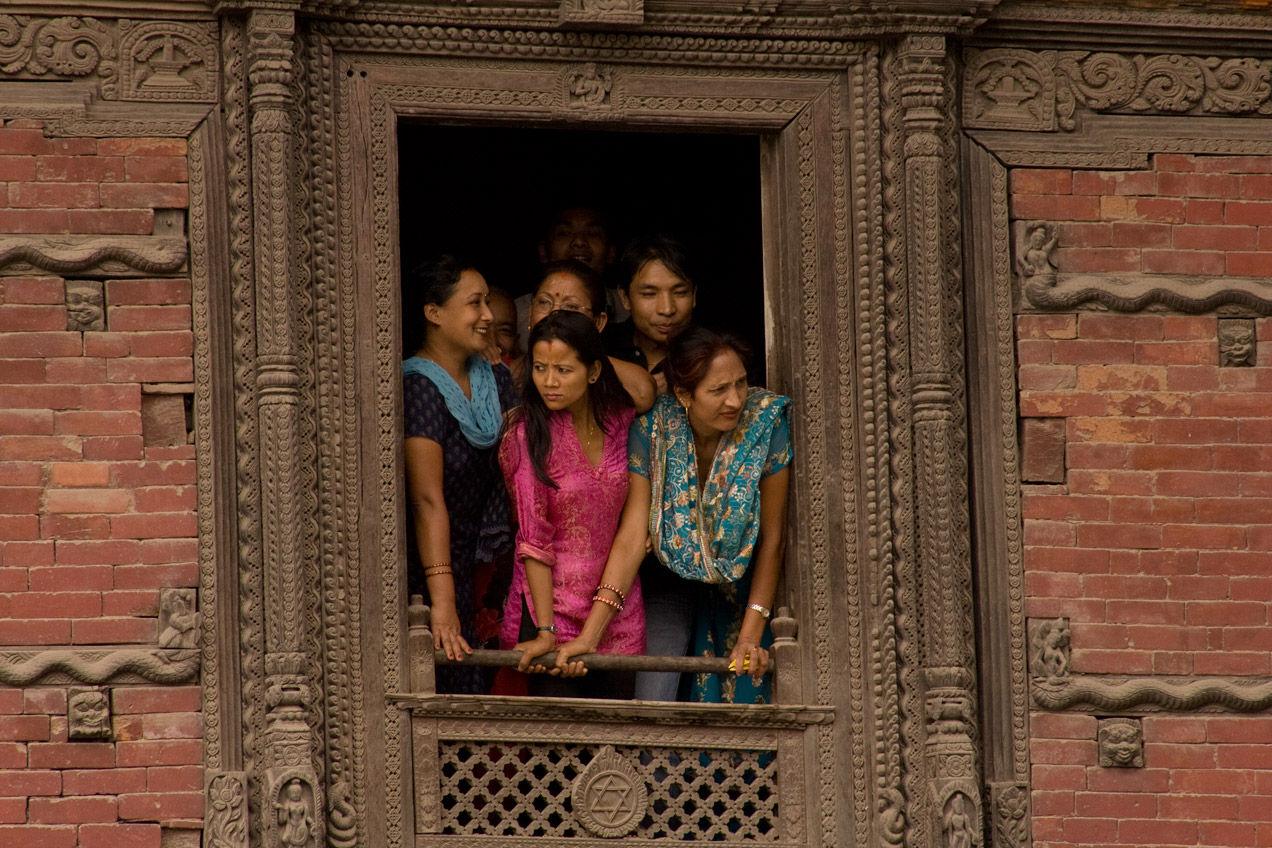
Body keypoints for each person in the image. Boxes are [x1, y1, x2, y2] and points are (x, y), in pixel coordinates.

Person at [553, 327, 792, 704]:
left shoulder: (766, 424)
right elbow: (632, 536)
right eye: (718, 390)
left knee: (745, 698)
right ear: (683, 395)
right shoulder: (652, 430)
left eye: (741, 384)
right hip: (669, 581)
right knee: (655, 702)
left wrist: (749, 636)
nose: (735, 400)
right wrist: (589, 635)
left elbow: (773, 539)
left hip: (744, 590)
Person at [499, 311, 645, 698]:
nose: (549, 381)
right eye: (540, 368)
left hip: (617, 613)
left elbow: (632, 534)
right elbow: (533, 541)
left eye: (563, 369)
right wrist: (547, 633)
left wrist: (595, 629)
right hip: (549, 614)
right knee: (557, 751)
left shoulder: (622, 423)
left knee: (615, 748)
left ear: (594, 371)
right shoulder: (528, 435)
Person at [403, 255, 518, 694]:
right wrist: (444, 605)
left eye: (487, 302)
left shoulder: (495, 378)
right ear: (433, 313)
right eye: (475, 304)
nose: (488, 316)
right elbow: (426, 501)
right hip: (432, 570)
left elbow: (518, 468)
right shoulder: (419, 387)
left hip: (487, 561)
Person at [528, 259, 655, 411]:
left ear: (598, 323)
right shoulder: (508, 371)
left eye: (571, 306)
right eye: (544, 302)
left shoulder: (595, 368)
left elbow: (643, 394)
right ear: (530, 312)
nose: (554, 314)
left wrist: (582, 357)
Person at [603, 233, 697, 396]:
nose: (667, 309)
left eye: (680, 292)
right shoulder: (603, 347)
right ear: (625, 298)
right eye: (649, 294)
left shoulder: (714, 358)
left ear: (694, 295)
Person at [516, 205, 629, 335]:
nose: (579, 242)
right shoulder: (517, 315)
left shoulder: (629, 310)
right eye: (565, 233)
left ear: (611, 252)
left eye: (593, 234)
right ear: (543, 250)